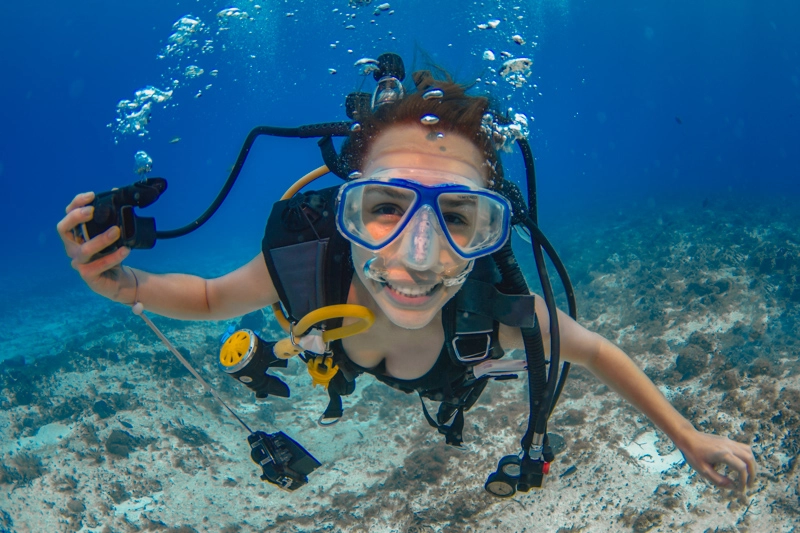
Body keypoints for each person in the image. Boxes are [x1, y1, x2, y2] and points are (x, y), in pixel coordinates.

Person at [57, 68, 757, 494]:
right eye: (385, 208)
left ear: (490, 228)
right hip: (337, 347)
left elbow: (596, 352)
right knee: (309, 348)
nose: (418, 257)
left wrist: (687, 436)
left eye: (458, 217)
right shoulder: (310, 262)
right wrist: (124, 285)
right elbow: (211, 297)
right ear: (347, 211)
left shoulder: (493, 306)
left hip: (448, 378)